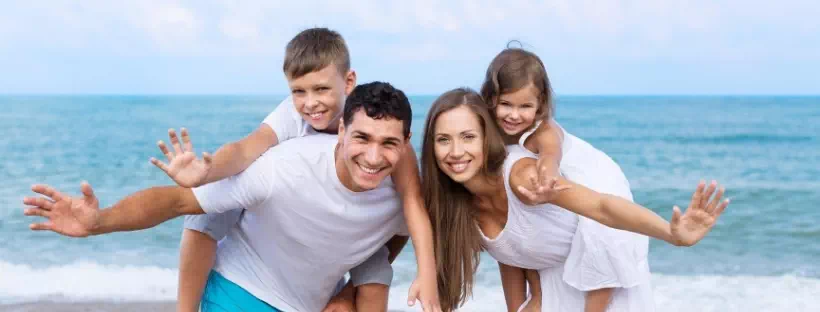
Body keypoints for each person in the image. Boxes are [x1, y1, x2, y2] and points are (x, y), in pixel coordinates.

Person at [23, 82, 421, 312]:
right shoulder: (283, 167)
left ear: (405, 145)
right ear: (340, 132)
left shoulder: (404, 198)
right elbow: (179, 202)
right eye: (362, 138)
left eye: (388, 144)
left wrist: (354, 287)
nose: (373, 157)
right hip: (238, 294)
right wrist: (100, 222)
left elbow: (397, 232)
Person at [149, 28, 440, 311]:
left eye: (322, 89)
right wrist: (206, 173)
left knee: (375, 268)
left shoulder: (374, 126)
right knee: (207, 209)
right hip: (293, 210)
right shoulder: (291, 114)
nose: (310, 103)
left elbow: (412, 201)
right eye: (299, 91)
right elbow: (246, 149)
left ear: (348, 82)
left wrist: (426, 273)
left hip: (354, 225)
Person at [420, 88, 730, 311]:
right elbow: (509, 254)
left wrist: (671, 234)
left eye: (468, 137)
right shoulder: (457, 208)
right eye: (443, 140)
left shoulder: (521, 176)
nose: (456, 152)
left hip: (600, 286)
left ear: (487, 138)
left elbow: (601, 206)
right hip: (550, 295)